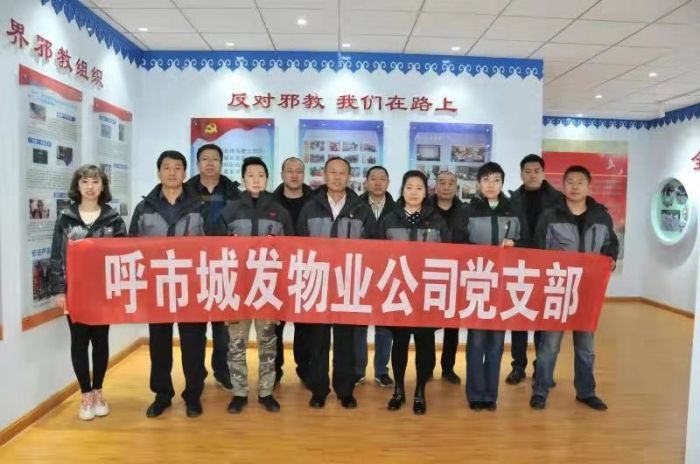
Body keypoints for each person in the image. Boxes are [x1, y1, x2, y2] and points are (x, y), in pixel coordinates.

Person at [529, 165, 618, 412]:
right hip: (557, 288)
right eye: (570, 182)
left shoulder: (601, 216)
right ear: (563, 185)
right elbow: (537, 250)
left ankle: (586, 392)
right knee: (549, 345)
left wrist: (610, 258)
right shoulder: (550, 215)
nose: (575, 186)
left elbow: (611, 244)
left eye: (580, 182)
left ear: (589, 187)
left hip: (588, 290)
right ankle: (540, 390)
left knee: (586, 346)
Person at [130, 150, 208, 419]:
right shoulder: (145, 208)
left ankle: (193, 395)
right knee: (159, 343)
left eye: (177, 168)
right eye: (166, 167)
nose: (172, 172)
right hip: (158, 286)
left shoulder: (200, 206)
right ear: (158, 172)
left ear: (185, 173)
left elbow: (212, 245)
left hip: (192, 285)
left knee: (194, 344)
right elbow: (131, 247)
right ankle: (162, 394)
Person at [296, 156, 377, 409]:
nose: (337, 177)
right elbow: (299, 245)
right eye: (333, 172)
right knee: (318, 340)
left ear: (349, 177)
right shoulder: (310, 206)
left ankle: (345, 390)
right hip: (318, 282)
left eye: (343, 173)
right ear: (324, 175)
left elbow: (373, 248)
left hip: (348, 284)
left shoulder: (361, 208)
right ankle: (319, 389)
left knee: (345, 341)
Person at [216, 157, 293, 414]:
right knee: (236, 344)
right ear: (243, 179)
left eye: (261, 175)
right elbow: (217, 250)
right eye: (251, 175)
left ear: (267, 179)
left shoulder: (280, 211)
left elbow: (290, 252)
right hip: (236, 289)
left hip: (268, 290)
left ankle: (266, 392)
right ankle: (239, 392)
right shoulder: (230, 211)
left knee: (268, 343)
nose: (256, 180)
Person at [50, 164, 127, 420]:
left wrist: (120, 291)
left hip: (104, 291)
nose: (90, 187)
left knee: (101, 341)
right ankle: (85, 395)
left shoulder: (113, 219)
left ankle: (98, 390)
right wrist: (59, 291)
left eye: (95, 181)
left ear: (103, 186)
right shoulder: (66, 218)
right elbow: (57, 256)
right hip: (75, 292)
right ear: (78, 186)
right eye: (85, 182)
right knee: (79, 341)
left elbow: (124, 257)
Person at [453, 162, 526, 411]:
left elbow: (528, 242)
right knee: (476, 341)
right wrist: (478, 252)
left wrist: (516, 245)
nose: (491, 185)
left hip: (504, 285)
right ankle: (475, 395)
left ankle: (490, 396)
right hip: (477, 282)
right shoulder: (466, 210)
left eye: (496, 180)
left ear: (502, 183)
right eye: (486, 180)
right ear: (478, 184)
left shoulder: (514, 209)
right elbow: (457, 244)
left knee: (496, 343)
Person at [379, 170, 449, 415]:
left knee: (424, 345)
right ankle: (398, 390)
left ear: (425, 192)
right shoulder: (389, 219)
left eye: (419, 188)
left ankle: (420, 391)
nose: (414, 192)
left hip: (426, 293)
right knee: (399, 344)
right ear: (402, 190)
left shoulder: (437, 220)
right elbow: (377, 255)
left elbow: (448, 255)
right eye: (409, 187)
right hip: (398, 291)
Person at [185, 143, 241, 392]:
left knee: (223, 328)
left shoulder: (233, 191)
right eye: (205, 159)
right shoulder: (186, 191)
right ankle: (196, 374)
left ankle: (222, 371)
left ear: (221, 163)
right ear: (197, 163)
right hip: (193, 266)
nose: (210, 163)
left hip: (225, 265)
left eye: (215, 159)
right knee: (194, 327)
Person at [505, 154, 564, 385]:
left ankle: (542, 367)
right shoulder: (513, 199)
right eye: (527, 171)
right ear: (521, 174)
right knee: (518, 315)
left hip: (547, 265)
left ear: (543, 173)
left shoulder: (557, 199)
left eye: (536, 171)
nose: (532, 175)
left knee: (543, 319)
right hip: (519, 264)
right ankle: (518, 366)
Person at [271, 156, 313, 389]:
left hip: (307, 270)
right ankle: (274, 371)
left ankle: (305, 370)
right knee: (274, 325)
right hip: (277, 272)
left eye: (299, 171)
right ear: (282, 174)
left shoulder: (316, 201)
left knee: (305, 326)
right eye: (290, 171)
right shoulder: (270, 202)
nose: (294, 175)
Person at [354, 165, 395, 388]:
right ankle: (358, 370)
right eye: (373, 178)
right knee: (359, 324)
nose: (378, 182)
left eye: (382, 178)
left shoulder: (397, 209)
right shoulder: (354, 206)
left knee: (385, 324)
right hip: (360, 272)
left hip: (388, 273)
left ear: (388, 183)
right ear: (366, 182)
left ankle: (381, 370)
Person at [430, 171, 462, 384]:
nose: (446, 186)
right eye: (442, 182)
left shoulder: (465, 211)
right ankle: (427, 367)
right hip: (430, 273)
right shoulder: (425, 209)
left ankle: (448, 368)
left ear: (456, 187)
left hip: (456, 273)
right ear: (435, 186)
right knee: (428, 324)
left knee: (452, 324)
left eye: (451, 183)